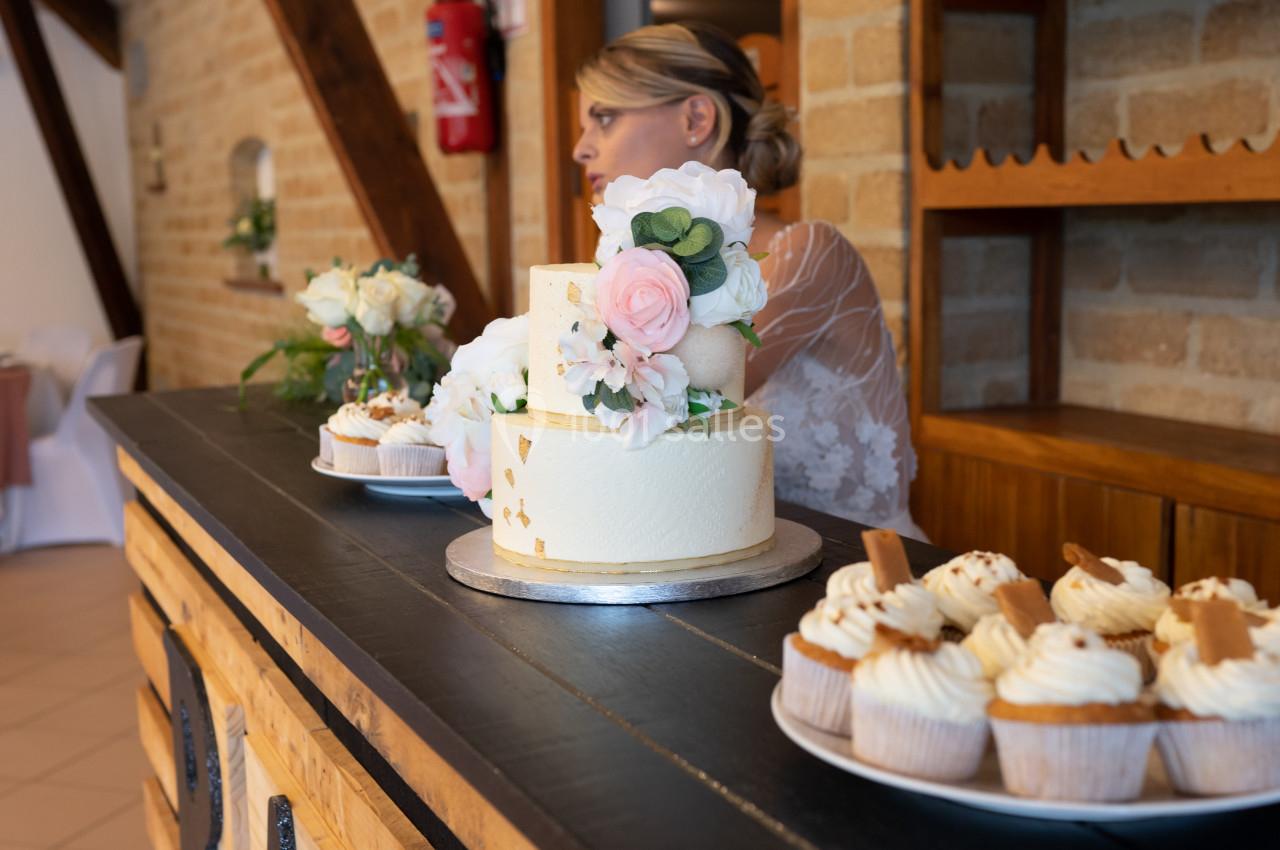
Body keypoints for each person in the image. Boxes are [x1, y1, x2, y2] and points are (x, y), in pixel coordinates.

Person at [573, 22, 925, 540]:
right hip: (730, 561)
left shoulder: (809, 255)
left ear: (697, 118)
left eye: (603, 118)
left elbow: (677, 412)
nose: (581, 149)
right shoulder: (641, 275)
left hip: (859, 574)